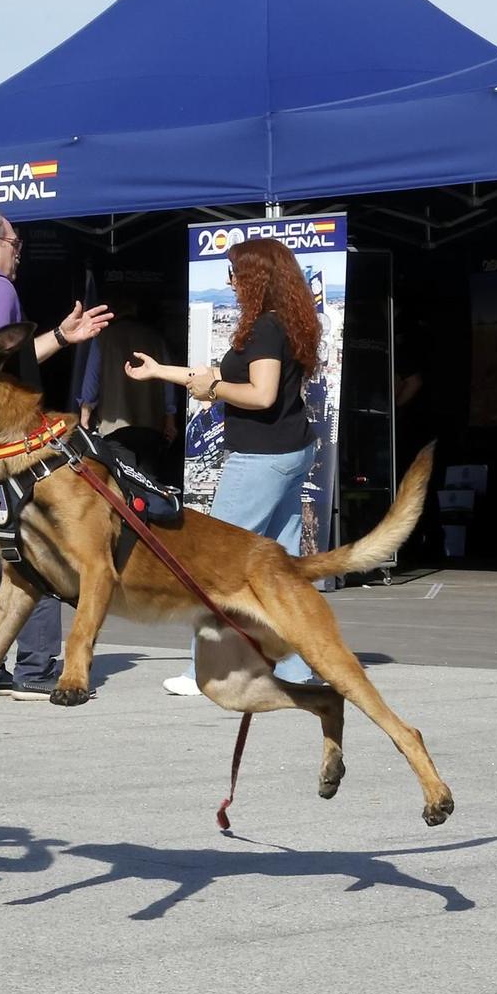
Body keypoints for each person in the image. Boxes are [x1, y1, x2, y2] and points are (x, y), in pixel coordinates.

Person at [125, 237, 324, 692]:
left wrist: (212, 393)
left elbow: (260, 394)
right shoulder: (284, 323)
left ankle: (206, 672)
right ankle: (295, 669)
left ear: (254, 277)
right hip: (289, 454)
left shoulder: (265, 330)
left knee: (211, 564)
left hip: (262, 459)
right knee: (280, 567)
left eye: (234, 273)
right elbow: (219, 374)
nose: (229, 282)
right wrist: (161, 372)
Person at [0, 208, 111, 700]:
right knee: (38, 550)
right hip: (4, 450)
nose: (19, 253)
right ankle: (37, 669)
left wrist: (60, 337)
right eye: (15, 243)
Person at [76, 295, 179, 478]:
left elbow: (92, 379)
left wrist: (85, 415)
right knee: (150, 479)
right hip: (151, 425)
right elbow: (168, 382)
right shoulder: (155, 338)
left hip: (114, 428)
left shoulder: (103, 338)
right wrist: (170, 419)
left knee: (119, 482)